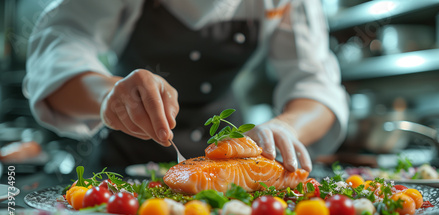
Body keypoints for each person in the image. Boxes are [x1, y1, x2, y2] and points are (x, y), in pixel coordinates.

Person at [23, 0, 349, 173]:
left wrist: (285, 127)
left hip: (229, 165)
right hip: (123, 165)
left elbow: (315, 84)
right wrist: (109, 94)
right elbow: (59, 47)